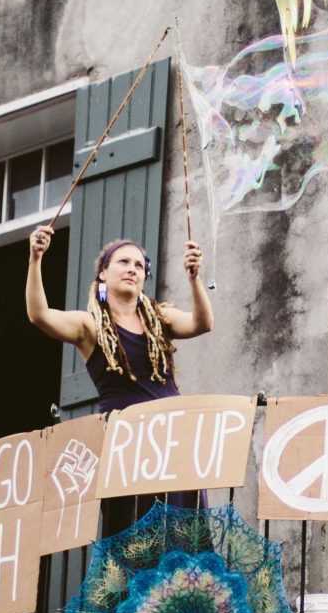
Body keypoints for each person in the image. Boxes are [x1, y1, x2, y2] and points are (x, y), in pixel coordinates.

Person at [25, 226, 213, 530]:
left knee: (182, 530)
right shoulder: (90, 325)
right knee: (136, 531)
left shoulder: (159, 318)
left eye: (139, 265)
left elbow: (203, 323)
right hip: (127, 443)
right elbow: (39, 315)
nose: (132, 269)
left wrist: (194, 279)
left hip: (173, 436)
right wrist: (35, 259)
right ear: (103, 274)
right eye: (123, 262)